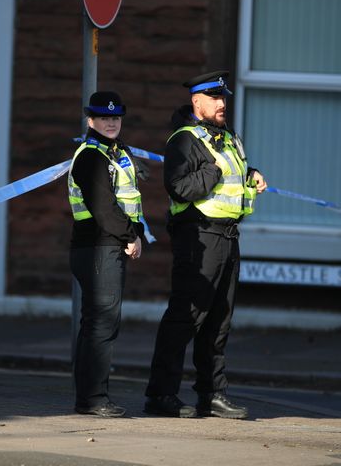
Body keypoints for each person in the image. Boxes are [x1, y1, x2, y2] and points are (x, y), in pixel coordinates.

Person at [144, 70, 267, 419]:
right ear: (197, 102)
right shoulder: (184, 139)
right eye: (215, 98)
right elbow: (179, 187)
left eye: (223, 98)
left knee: (219, 321)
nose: (221, 103)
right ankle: (160, 395)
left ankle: (211, 395)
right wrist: (212, 173)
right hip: (198, 237)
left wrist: (251, 173)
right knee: (185, 317)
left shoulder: (227, 138)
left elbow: (231, 171)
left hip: (227, 237)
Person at [68, 91, 145, 417]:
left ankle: (89, 396)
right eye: (103, 117)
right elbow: (103, 206)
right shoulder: (92, 156)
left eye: (115, 117)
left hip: (101, 246)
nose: (111, 122)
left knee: (96, 324)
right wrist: (131, 236)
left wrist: (134, 232)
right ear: (91, 120)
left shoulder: (111, 152)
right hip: (99, 247)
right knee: (101, 325)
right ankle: (94, 398)